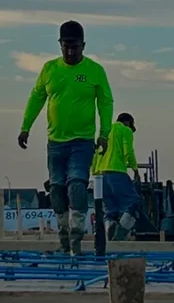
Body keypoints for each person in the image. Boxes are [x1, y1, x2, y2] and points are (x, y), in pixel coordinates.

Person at [18, 20, 115, 259]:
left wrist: (104, 133)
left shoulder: (94, 71)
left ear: (83, 45)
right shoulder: (50, 70)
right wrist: (25, 127)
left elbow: (105, 101)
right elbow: (36, 98)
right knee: (57, 189)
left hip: (82, 141)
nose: (70, 52)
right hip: (55, 142)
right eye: (66, 47)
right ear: (60, 45)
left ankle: (77, 238)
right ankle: (63, 239)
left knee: (76, 185)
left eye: (75, 47)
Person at [95, 111, 142, 247]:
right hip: (117, 172)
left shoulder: (105, 131)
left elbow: (96, 153)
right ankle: (119, 235)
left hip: (100, 175)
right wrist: (135, 169)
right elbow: (128, 151)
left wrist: (94, 172)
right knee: (134, 204)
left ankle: (110, 233)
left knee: (110, 210)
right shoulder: (125, 130)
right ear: (127, 122)